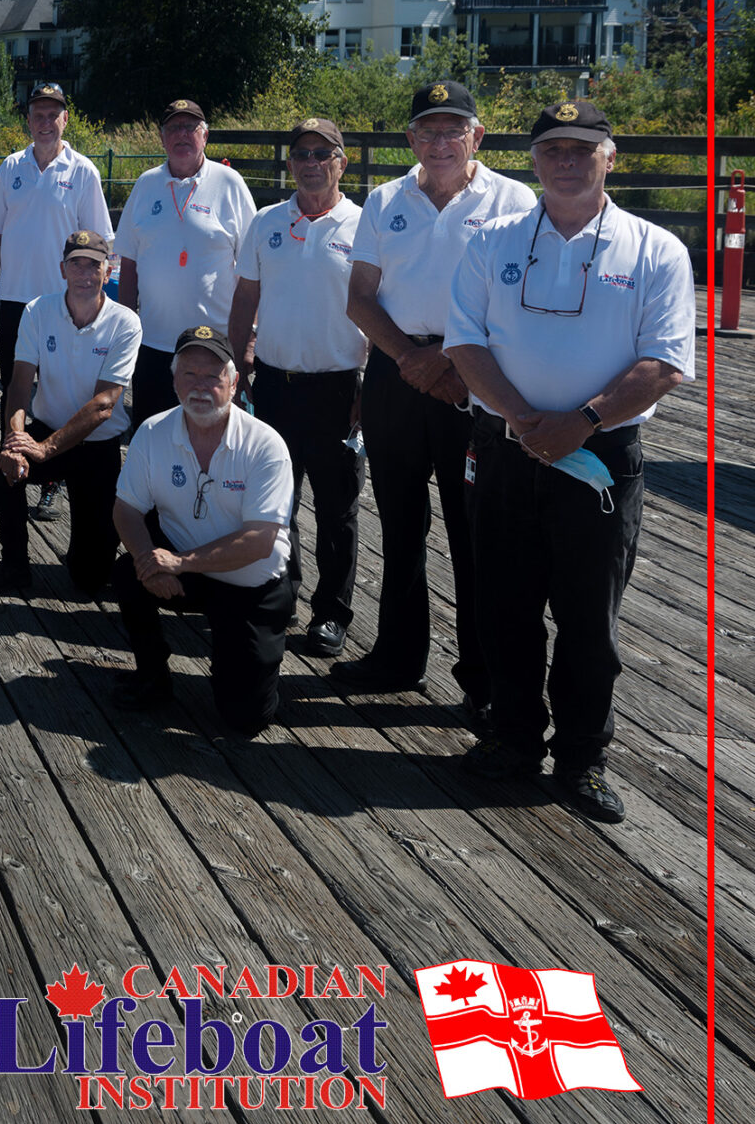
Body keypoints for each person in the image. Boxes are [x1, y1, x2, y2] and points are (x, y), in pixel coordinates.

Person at [443, 99, 693, 823]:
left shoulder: (655, 249)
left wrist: (580, 423)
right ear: (533, 160)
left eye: (583, 149)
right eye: (553, 148)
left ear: (610, 158)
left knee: (589, 618)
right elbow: (464, 341)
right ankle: (513, 738)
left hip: (600, 458)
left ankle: (583, 759)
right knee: (504, 606)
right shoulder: (492, 240)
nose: (567, 161)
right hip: (506, 447)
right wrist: (523, 421)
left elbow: (665, 362)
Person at [334, 80, 538, 722]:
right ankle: (397, 656)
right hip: (397, 372)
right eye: (429, 130)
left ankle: (482, 676)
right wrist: (409, 360)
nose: (441, 142)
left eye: (454, 130)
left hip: (474, 379)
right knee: (399, 524)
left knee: (476, 530)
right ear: (411, 138)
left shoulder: (514, 200)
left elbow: (516, 302)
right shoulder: (385, 199)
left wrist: (450, 363)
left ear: (478, 136)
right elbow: (359, 296)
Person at [109, 327, 297, 735]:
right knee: (129, 572)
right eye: (189, 375)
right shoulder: (153, 432)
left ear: (234, 382)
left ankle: (253, 662)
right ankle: (152, 676)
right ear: (174, 380)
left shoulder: (265, 445)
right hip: (187, 573)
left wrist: (178, 563)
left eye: (212, 376)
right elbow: (126, 509)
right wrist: (148, 562)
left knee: (245, 719)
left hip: (251, 586)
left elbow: (259, 541)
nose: (200, 387)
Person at [229, 117, 367, 660]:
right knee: (274, 502)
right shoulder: (266, 222)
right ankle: (280, 594)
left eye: (322, 153)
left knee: (337, 509)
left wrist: (369, 387)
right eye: (301, 154)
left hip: (340, 390)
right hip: (275, 386)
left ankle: (331, 613)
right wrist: (238, 365)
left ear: (341, 162)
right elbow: (245, 298)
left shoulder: (365, 224)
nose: (311, 163)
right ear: (289, 163)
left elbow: (384, 306)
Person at [0, 81, 111, 522]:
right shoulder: (10, 167)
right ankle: (9, 466)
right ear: (28, 120)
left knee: (57, 394)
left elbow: (100, 244)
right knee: (13, 390)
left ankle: (51, 481)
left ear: (65, 120)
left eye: (54, 115)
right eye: (38, 115)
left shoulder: (83, 171)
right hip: (15, 299)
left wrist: (97, 300)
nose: (46, 122)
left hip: (63, 304)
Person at [0, 230, 140, 598]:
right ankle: (14, 566)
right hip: (46, 430)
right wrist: (15, 441)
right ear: (62, 269)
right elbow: (19, 385)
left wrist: (45, 449)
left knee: (89, 580)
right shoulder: (38, 311)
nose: (84, 273)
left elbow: (104, 405)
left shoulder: (126, 322)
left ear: (107, 270)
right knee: (5, 468)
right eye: (75, 264)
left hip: (97, 447)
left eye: (93, 265)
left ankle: (89, 557)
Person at [115, 97, 257, 428]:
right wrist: (125, 328)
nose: (182, 134)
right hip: (153, 344)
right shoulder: (146, 184)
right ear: (162, 137)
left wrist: (250, 337)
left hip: (215, 347)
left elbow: (253, 268)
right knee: (152, 434)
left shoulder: (229, 183)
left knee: (215, 441)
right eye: (174, 128)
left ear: (205, 135)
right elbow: (129, 263)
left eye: (190, 127)